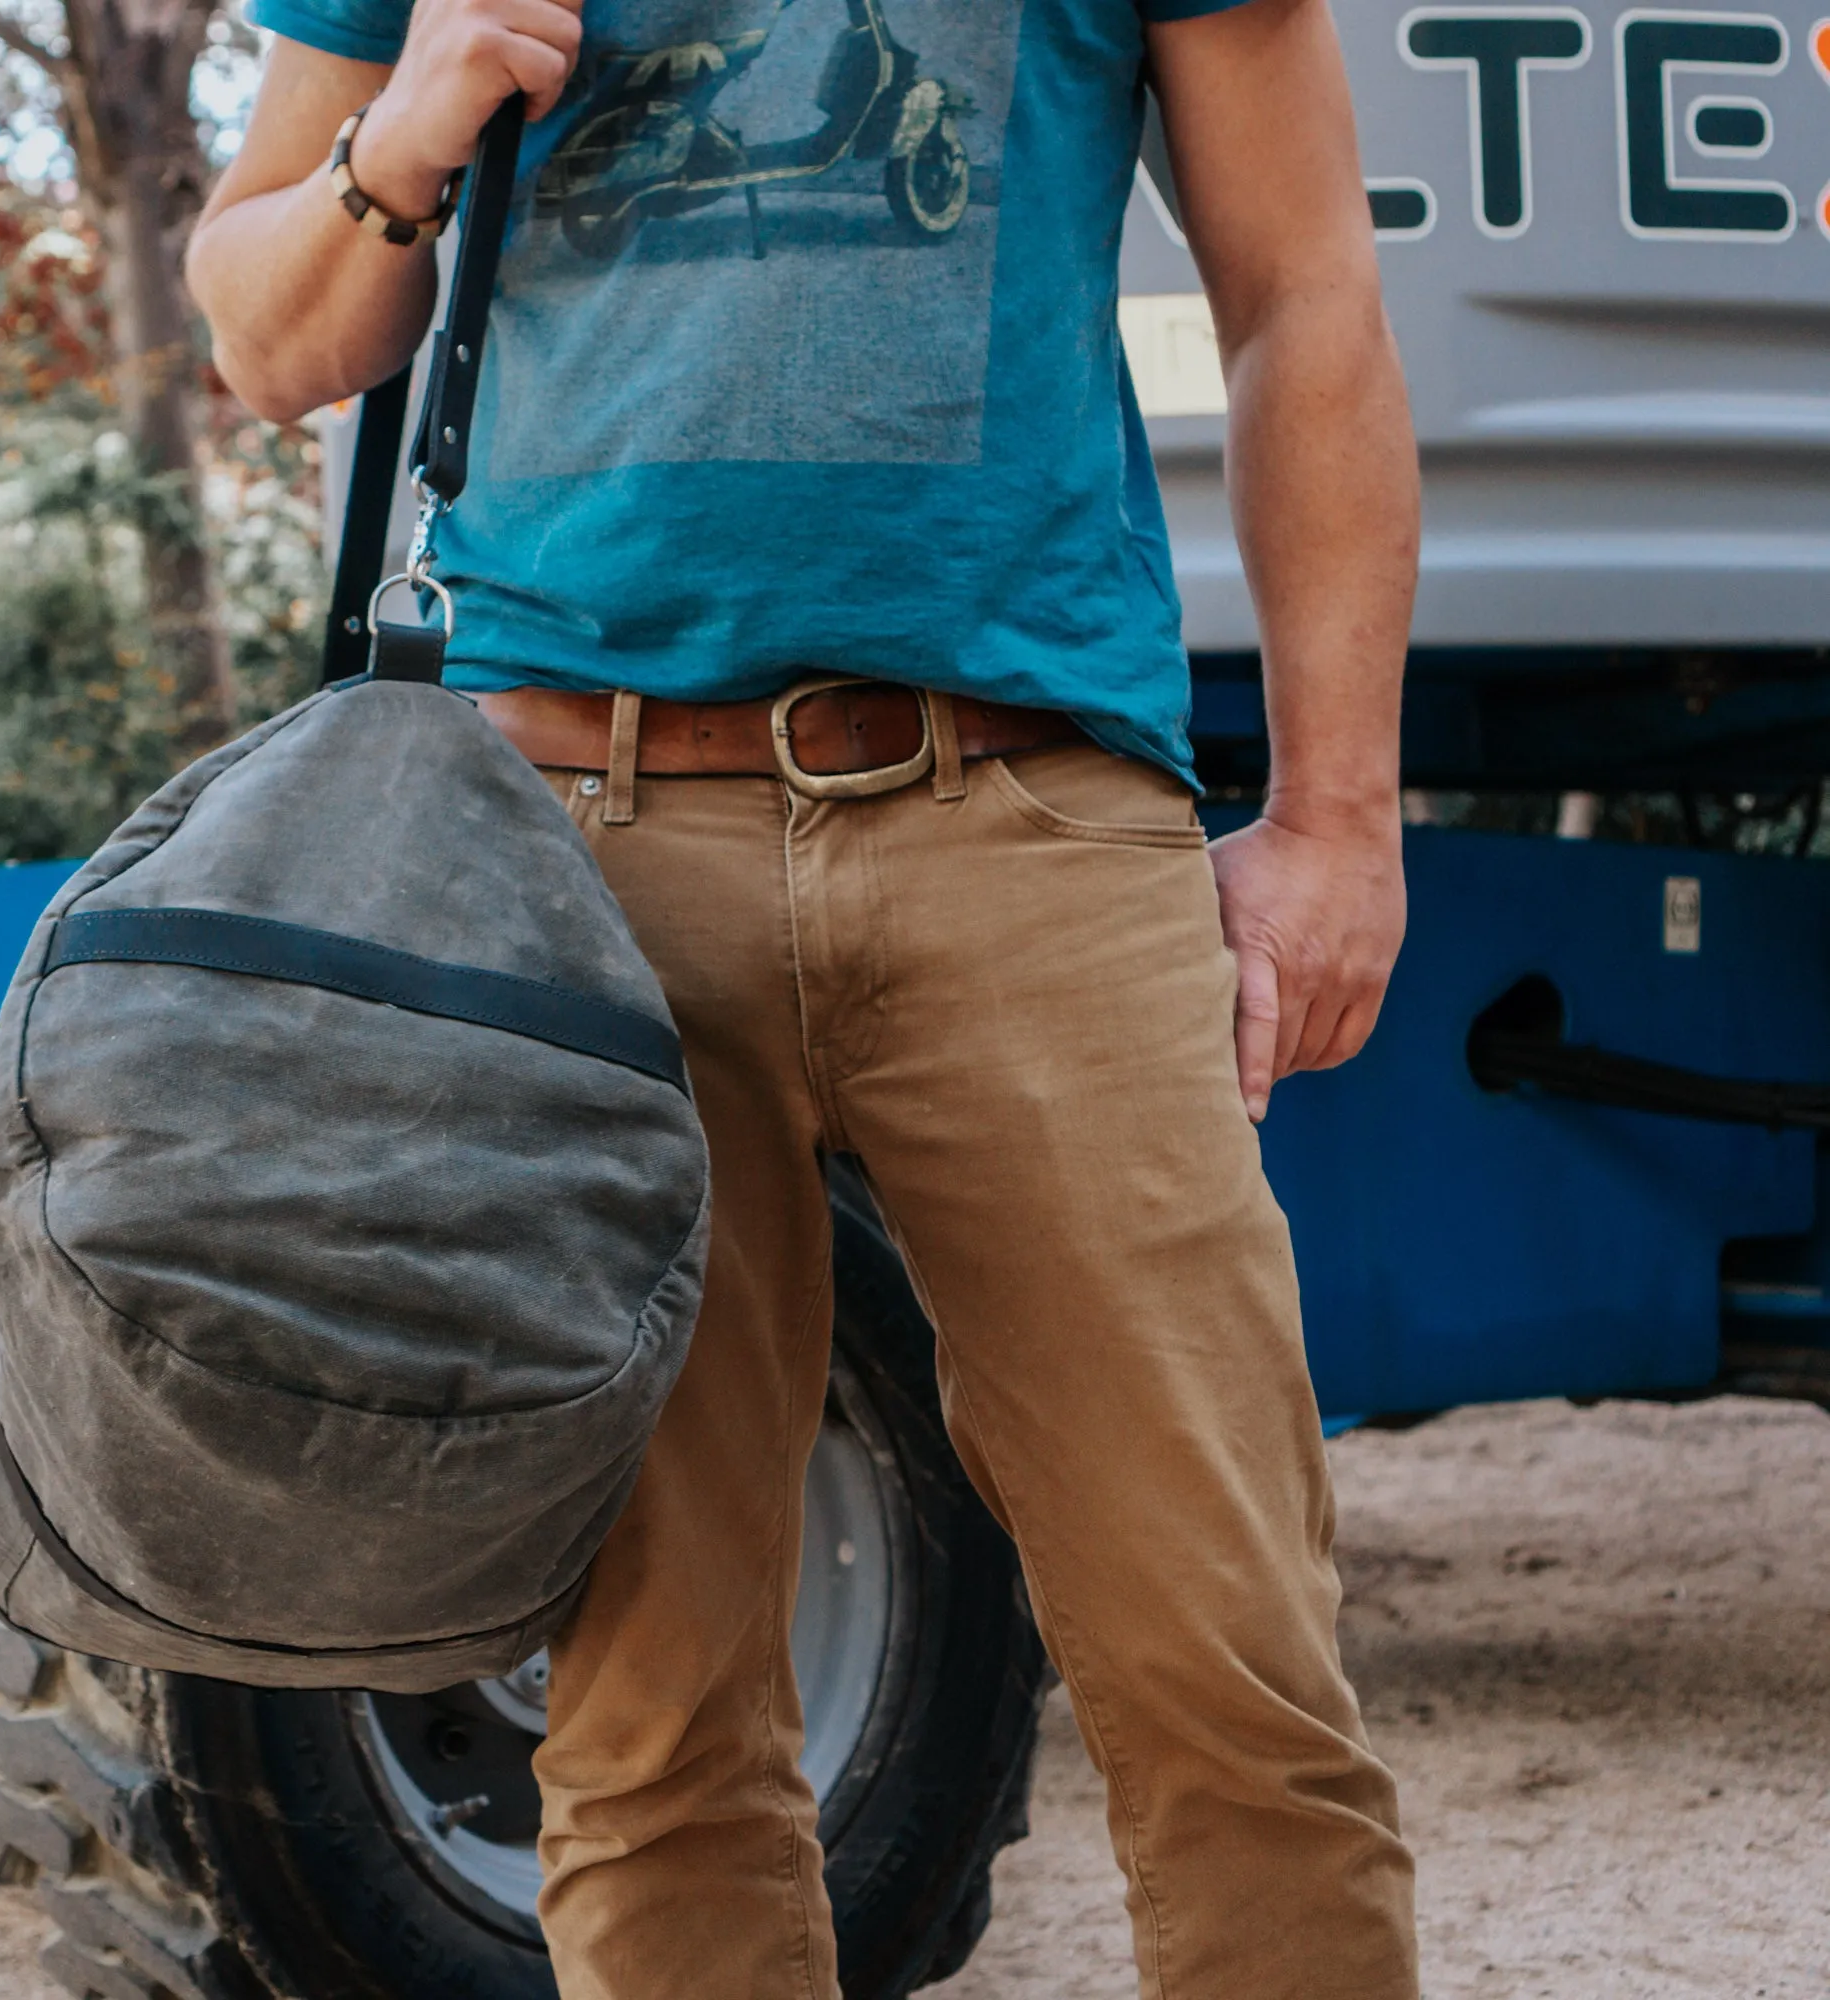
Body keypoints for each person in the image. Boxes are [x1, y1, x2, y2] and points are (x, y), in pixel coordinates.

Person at [185, 0, 1420, 1985]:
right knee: (649, 1723)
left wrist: (1337, 816)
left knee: (1234, 1676)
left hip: (1028, 815)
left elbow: (1301, 288)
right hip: (577, 863)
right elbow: (264, 334)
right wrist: (410, 122)